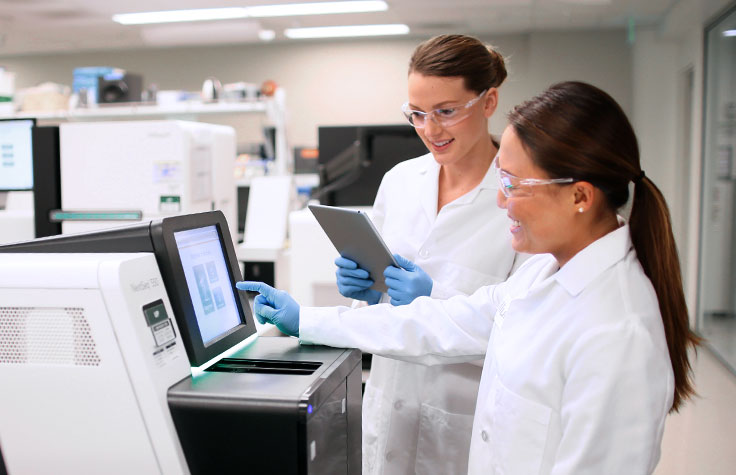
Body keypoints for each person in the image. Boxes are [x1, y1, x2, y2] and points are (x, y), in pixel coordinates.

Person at [238, 80, 700, 474]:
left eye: (513, 185)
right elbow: (439, 323)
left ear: (580, 196)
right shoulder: (543, 273)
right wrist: (309, 321)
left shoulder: (616, 332)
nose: (501, 202)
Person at [331, 34, 524, 475]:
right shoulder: (400, 180)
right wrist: (363, 286)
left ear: (489, 101)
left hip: (464, 422)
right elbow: (379, 303)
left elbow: (524, 328)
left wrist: (434, 296)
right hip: (388, 407)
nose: (430, 130)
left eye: (446, 112)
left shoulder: (518, 197)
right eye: (417, 114)